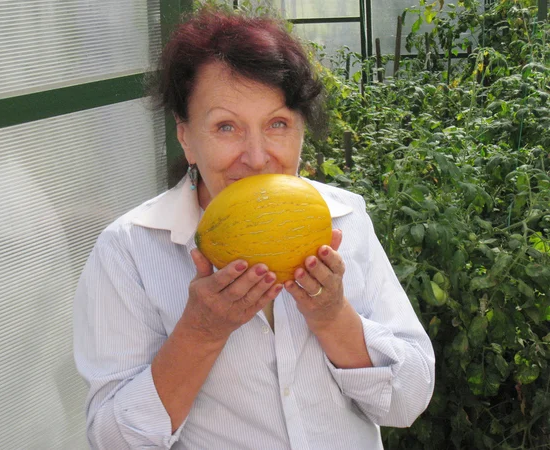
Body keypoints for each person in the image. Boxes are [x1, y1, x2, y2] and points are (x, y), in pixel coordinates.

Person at [73, 7, 435, 450]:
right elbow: (113, 441)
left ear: (301, 130)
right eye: (226, 127)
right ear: (186, 137)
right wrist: (201, 332)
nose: (258, 157)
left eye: (277, 124)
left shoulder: (344, 220)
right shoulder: (128, 251)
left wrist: (332, 316)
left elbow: (409, 400)